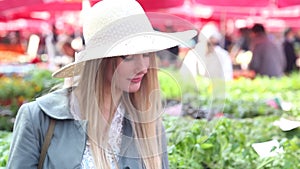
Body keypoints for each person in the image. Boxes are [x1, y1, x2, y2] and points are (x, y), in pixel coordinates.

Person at [7, 0, 196, 169]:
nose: (143, 67)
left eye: (147, 54)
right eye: (128, 56)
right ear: (99, 60)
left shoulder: (150, 125)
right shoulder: (38, 118)